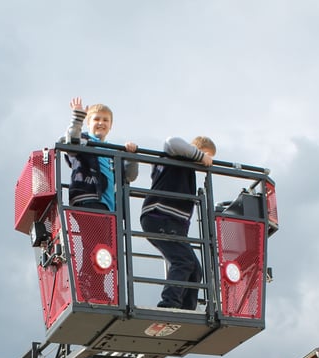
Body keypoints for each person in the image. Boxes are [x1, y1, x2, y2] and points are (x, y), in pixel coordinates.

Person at [139, 136, 215, 309]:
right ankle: (169, 304)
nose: (207, 162)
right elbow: (170, 142)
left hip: (172, 224)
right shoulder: (176, 157)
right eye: (207, 156)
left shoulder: (185, 169)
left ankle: (187, 310)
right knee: (183, 262)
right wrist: (201, 156)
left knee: (195, 268)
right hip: (160, 217)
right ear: (194, 150)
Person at [64, 97, 138, 210]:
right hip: (88, 199)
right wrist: (78, 118)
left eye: (105, 120)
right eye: (96, 119)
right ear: (88, 123)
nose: (101, 122)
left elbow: (130, 176)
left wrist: (131, 156)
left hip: (110, 206)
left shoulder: (114, 152)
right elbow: (71, 141)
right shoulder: (83, 141)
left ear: (111, 125)